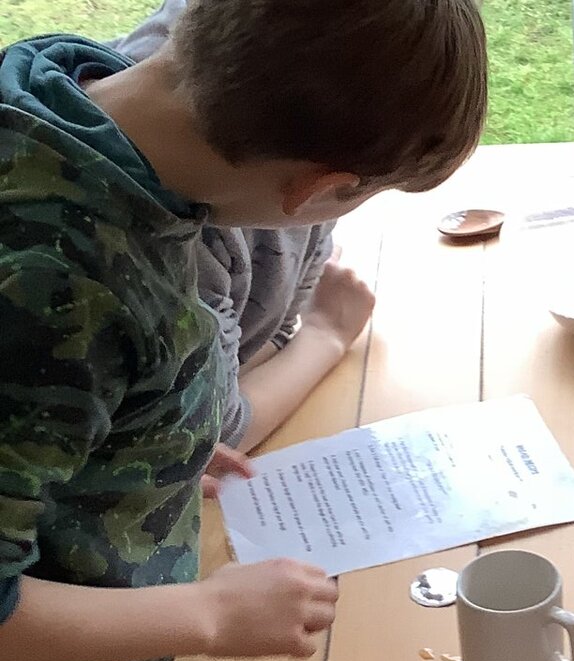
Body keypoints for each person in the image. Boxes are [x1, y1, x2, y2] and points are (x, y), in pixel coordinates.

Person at [0, 1, 488, 661]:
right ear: (314, 190)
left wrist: (152, 449)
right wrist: (211, 615)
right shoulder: (54, 286)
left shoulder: (63, 98)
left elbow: (53, 416)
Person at [110, 0, 377, 455]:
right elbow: (209, 434)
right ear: (316, 189)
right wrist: (326, 334)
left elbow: (267, 337)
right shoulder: (155, 247)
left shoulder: (202, 56)